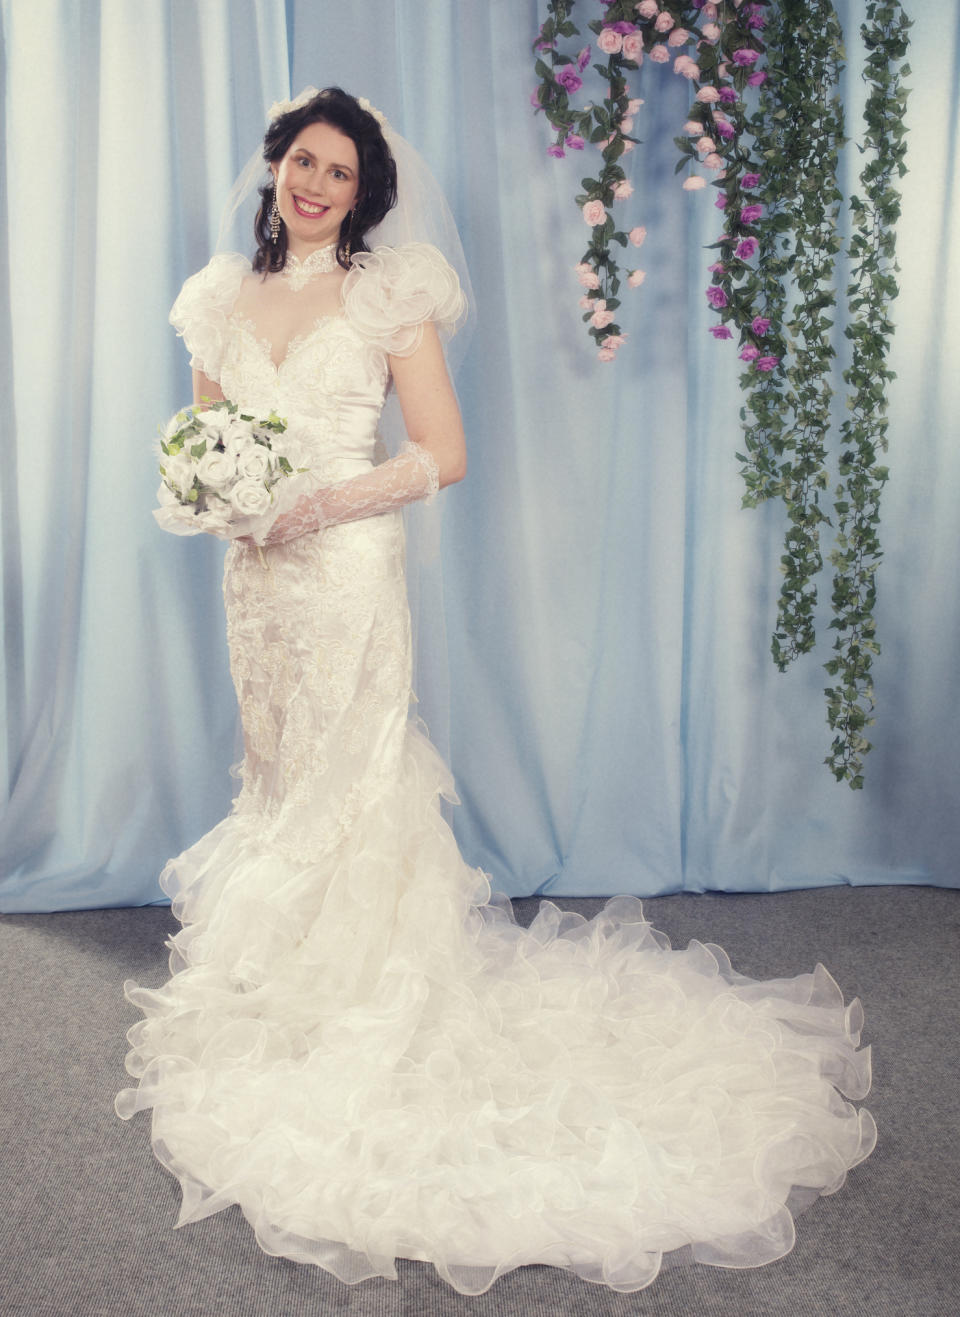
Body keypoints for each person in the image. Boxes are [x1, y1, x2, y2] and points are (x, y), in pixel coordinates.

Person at [116, 88, 876, 1297]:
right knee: (275, 772)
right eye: (303, 162)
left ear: (365, 195)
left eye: (341, 174)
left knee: (353, 784)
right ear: (275, 167)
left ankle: (365, 993)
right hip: (255, 586)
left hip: (350, 573)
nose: (316, 185)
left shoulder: (387, 293)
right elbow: (207, 445)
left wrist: (320, 503)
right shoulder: (215, 298)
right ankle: (290, 982)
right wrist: (222, 500)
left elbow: (443, 454)